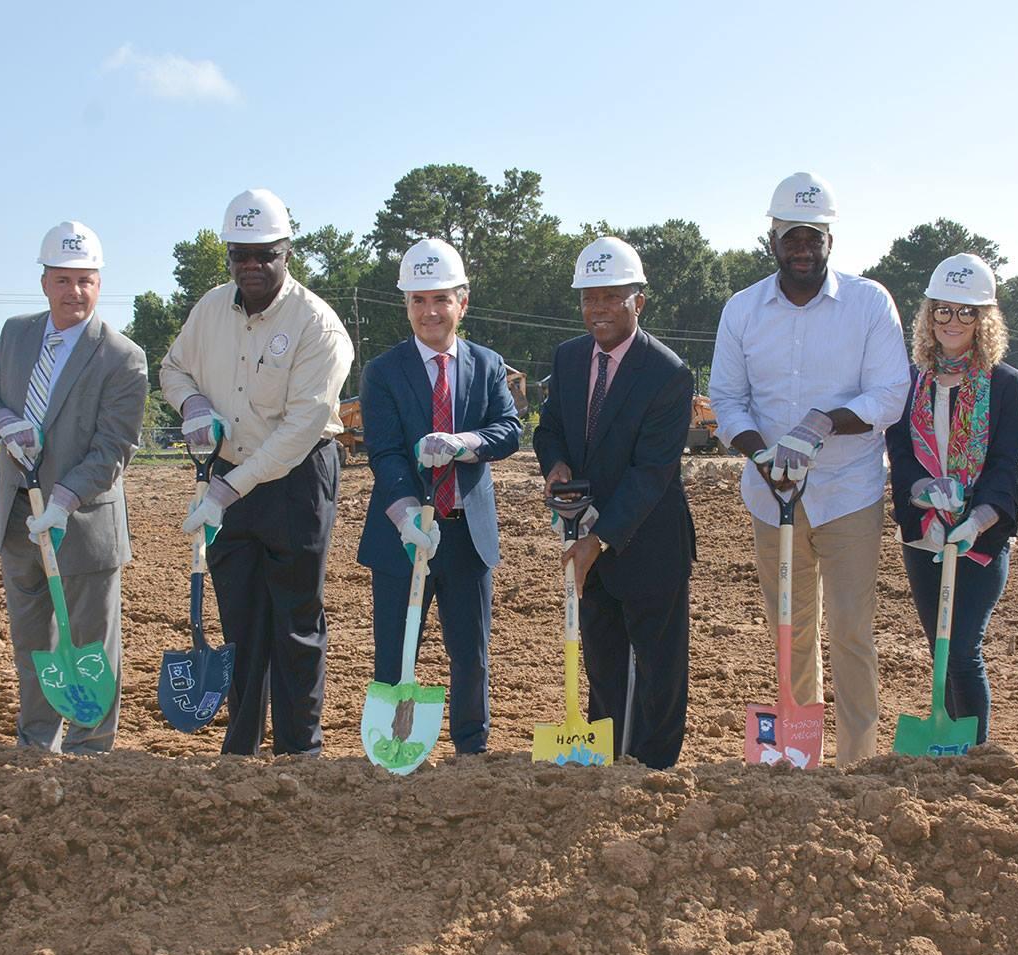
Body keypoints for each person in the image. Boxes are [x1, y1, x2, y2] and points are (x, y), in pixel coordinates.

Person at [708, 172, 910, 767]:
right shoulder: (742, 311)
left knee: (850, 631)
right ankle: (800, 757)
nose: (801, 248)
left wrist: (822, 422)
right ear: (771, 238)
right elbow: (726, 399)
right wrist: (762, 455)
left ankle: (855, 762)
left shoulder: (870, 304)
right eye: (790, 237)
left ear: (830, 239)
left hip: (849, 493)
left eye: (812, 237)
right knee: (790, 633)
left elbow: (890, 394)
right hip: (772, 497)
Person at [159, 188, 354, 756]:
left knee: (294, 621)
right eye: (239, 253)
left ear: (286, 252)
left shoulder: (317, 325)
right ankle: (240, 746)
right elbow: (173, 368)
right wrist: (193, 405)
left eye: (263, 253)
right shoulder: (210, 309)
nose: (250, 265)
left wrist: (227, 489)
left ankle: (300, 749)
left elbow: (300, 428)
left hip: (295, 482)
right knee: (240, 619)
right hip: (228, 479)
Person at [0, 221, 148, 754]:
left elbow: (114, 448)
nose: (75, 292)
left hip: (84, 524)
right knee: (32, 642)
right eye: (64, 280)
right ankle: (35, 743)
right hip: (20, 517)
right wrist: (3, 423)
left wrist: (64, 500)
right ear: (45, 281)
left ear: (99, 283)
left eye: (86, 281)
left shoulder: (121, 356)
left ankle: (91, 749)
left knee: (91, 645)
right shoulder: (16, 335)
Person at [532, 236, 696, 769]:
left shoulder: (667, 373)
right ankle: (601, 758)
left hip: (647, 540)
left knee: (657, 667)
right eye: (588, 298)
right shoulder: (570, 357)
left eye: (610, 297)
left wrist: (598, 538)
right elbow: (551, 427)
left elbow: (652, 473)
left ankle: (653, 770)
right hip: (585, 535)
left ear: (638, 302)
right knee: (601, 658)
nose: (597, 310)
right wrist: (554, 463)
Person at [356, 238, 521, 755]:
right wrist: (406, 516)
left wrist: (465, 443)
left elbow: (509, 430)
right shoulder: (382, 372)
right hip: (402, 538)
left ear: (461, 302)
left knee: (470, 655)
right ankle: (391, 749)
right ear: (406, 305)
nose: (430, 311)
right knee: (394, 653)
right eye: (418, 300)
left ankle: (471, 749)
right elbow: (383, 453)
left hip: (466, 535)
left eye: (440, 299)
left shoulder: (487, 364)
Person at [884, 254, 1018, 744]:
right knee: (939, 646)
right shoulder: (911, 382)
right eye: (942, 310)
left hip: (980, 537)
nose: (952, 321)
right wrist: (923, 499)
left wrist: (977, 520)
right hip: (925, 533)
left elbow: (1006, 464)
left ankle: (976, 751)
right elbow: (900, 455)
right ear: (929, 315)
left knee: (962, 648)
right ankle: (945, 747)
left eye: (966, 312)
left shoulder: (1004, 384)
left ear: (984, 319)